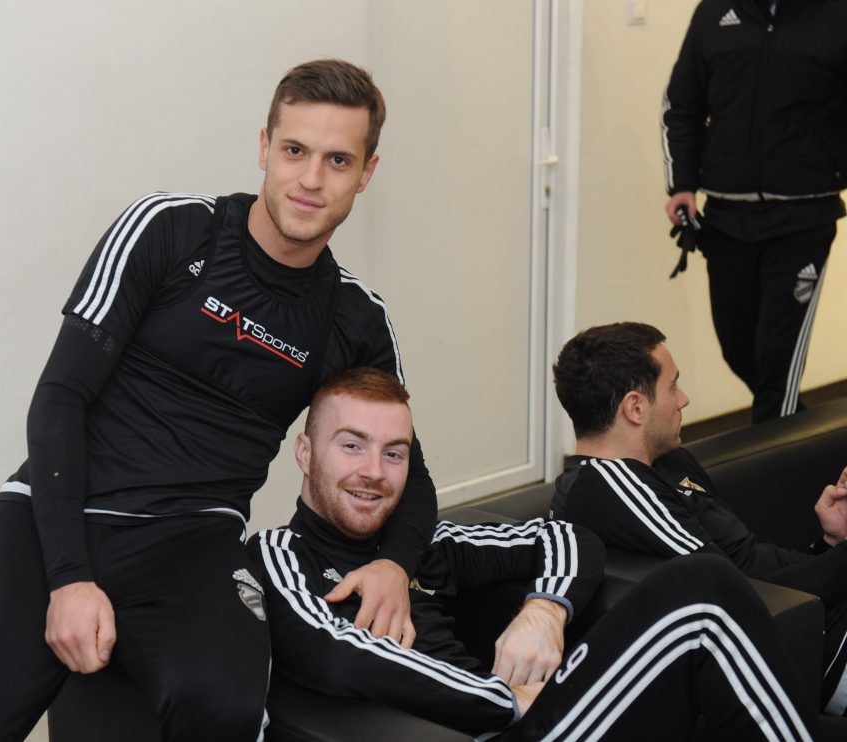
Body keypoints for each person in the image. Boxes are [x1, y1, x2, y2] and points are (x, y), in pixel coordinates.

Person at [0, 59, 437, 741]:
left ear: (366, 173)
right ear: (264, 147)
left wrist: (394, 565)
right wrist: (69, 578)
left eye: (338, 161)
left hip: (192, 544)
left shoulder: (354, 318)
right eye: (294, 150)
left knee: (224, 709)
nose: (310, 179)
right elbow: (60, 398)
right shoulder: (172, 230)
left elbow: (411, 469)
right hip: (57, 515)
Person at [251, 367, 816, 740]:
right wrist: (506, 700)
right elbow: (336, 654)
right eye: (351, 446)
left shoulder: (425, 547)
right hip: (500, 729)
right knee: (703, 592)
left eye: (393, 454)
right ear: (305, 452)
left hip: (539, 720)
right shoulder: (280, 554)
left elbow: (568, 538)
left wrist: (545, 611)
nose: (374, 472)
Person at [550, 321, 847, 715]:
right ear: (635, 408)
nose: (684, 399)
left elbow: (748, 560)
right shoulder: (607, 489)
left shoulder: (668, 461)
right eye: (673, 386)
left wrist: (829, 544)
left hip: (816, 608)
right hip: (811, 645)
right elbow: (739, 596)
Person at [661, 0, 847, 423]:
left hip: (804, 219)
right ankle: (802, 439)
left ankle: (779, 462)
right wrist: (682, 184)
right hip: (726, 218)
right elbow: (682, 103)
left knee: (778, 360)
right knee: (738, 347)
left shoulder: (837, 15)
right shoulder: (715, 12)